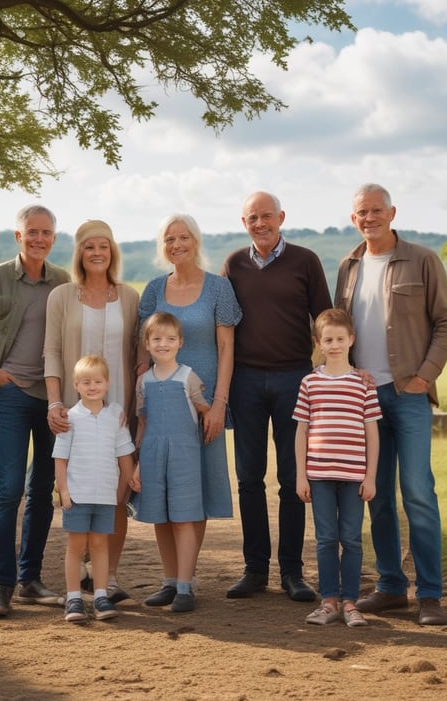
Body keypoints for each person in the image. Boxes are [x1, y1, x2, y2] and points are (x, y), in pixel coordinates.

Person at [334, 183, 447, 626]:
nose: (369, 218)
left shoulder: (423, 260)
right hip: (364, 400)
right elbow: (340, 328)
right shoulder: (348, 266)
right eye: (361, 212)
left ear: (392, 213)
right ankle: (391, 587)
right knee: (377, 495)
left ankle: (430, 595)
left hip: (408, 395)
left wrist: (425, 376)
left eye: (376, 210)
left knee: (418, 492)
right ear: (353, 219)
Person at [223, 190, 332, 602]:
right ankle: (254, 570)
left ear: (281, 217)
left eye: (266, 216)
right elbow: (223, 327)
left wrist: (329, 376)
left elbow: (324, 320)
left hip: (294, 379)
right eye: (252, 218)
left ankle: (292, 571)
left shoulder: (306, 261)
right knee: (249, 478)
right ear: (244, 222)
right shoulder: (233, 264)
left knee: (292, 478)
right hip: (246, 381)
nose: (260, 224)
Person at [0, 204, 70, 618]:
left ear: (53, 239)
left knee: (43, 489)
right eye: (32, 232)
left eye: (46, 233)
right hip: (10, 393)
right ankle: (1, 585)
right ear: (18, 236)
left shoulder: (63, 281)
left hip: (51, 397)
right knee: (10, 490)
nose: (39, 239)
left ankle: (30, 579)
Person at [138, 213, 242, 607]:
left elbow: (227, 348)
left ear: (196, 241)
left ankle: (186, 580)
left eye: (183, 237)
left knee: (195, 493)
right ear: (162, 246)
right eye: (169, 238)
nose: (177, 244)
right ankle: (170, 580)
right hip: (162, 407)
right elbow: (143, 347)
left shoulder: (218, 288)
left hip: (204, 406)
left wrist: (218, 405)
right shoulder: (154, 289)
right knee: (163, 492)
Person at [44, 219, 146, 604]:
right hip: (75, 413)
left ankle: (108, 578)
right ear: (79, 253)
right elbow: (52, 351)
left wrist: (138, 408)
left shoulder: (130, 297)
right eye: (89, 246)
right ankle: (79, 576)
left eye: (104, 245)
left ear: (112, 251)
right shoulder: (62, 296)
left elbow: (139, 355)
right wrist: (55, 402)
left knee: (115, 489)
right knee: (79, 485)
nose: (97, 252)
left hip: (117, 412)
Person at [293, 309, 381, 627]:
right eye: (328, 340)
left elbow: (372, 432)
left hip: (354, 476)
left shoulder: (363, 384)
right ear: (318, 343)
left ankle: (351, 603)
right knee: (326, 539)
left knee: (352, 539)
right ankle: (329, 601)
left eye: (340, 339)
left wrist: (370, 477)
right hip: (319, 476)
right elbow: (302, 431)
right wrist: (301, 476)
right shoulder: (310, 383)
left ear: (351, 340)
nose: (334, 345)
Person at [129, 312, 209, 613]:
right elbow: (143, 424)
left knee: (183, 518)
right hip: (152, 456)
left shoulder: (188, 377)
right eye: (157, 339)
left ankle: (186, 586)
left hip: (184, 457)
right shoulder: (143, 381)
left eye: (170, 339)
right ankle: (170, 582)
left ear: (180, 342)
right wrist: (138, 464)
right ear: (146, 343)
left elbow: (204, 411)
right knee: (160, 519)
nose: (163, 344)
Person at [52, 355, 135, 623]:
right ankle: (74, 598)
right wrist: (64, 491)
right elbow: (60, 459)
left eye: (97, 382)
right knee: (76, 546)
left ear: (107, 384)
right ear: (76, 385)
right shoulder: (70, 418)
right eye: (86, 382)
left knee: (100, 545)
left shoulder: (115, 416)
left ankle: (100, 595)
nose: (92, 387)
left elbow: (124, 456)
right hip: (77, 495)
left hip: (105, 496)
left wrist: (121, 492)